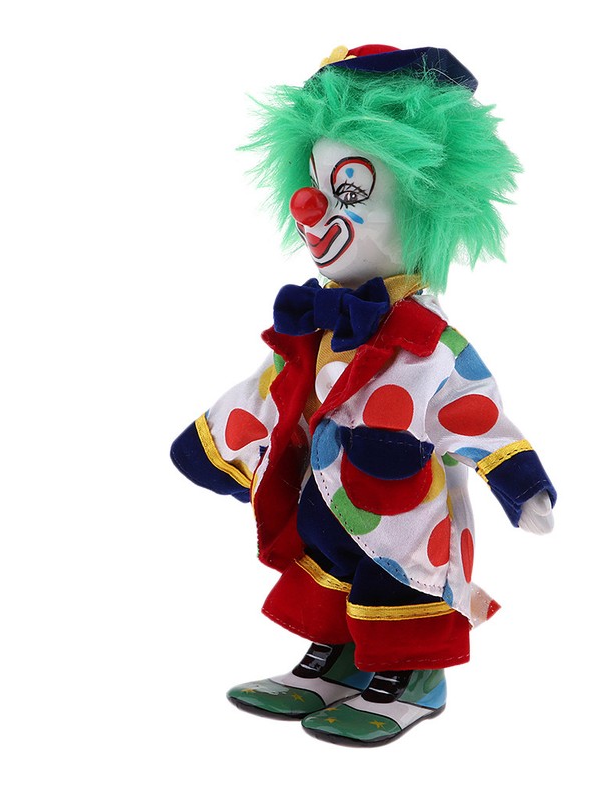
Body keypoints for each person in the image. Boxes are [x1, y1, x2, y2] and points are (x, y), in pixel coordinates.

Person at [170, 44, 556, 746]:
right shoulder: (315, 326)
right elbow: (271, 389)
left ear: (427, 204)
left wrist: (520, 482)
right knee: (325, 571)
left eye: (349, 191)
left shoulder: (431, 344)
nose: (311, 208)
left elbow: (476, 413)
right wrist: (213, 444)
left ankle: (412, 678)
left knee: (399, 587)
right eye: (315, 185)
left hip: (406, 515)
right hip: (323, 496)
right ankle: (338, 658)